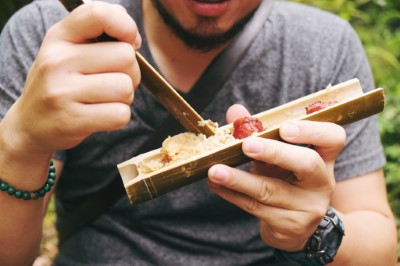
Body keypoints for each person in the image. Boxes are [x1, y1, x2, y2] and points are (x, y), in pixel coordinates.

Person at [0, 0, 397, 265]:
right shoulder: (52, 35)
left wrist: (316, 227)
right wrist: (20, 143)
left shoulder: (323, 45)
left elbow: (379, 247)